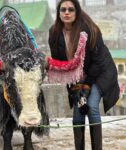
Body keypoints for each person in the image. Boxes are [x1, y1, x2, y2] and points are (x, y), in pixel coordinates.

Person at [47, 0, 120, 150]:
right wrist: (75, 91)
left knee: (91, 106)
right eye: (63, 9)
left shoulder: (89, 30)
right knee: (79, 110)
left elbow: (97, 62)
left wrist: (85, 87)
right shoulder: (54, 33)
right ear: (59, 13)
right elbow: (61, 65)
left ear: (77, 11)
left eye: (71, 9)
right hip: (75, 77)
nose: (67, 13)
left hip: (99, 74)